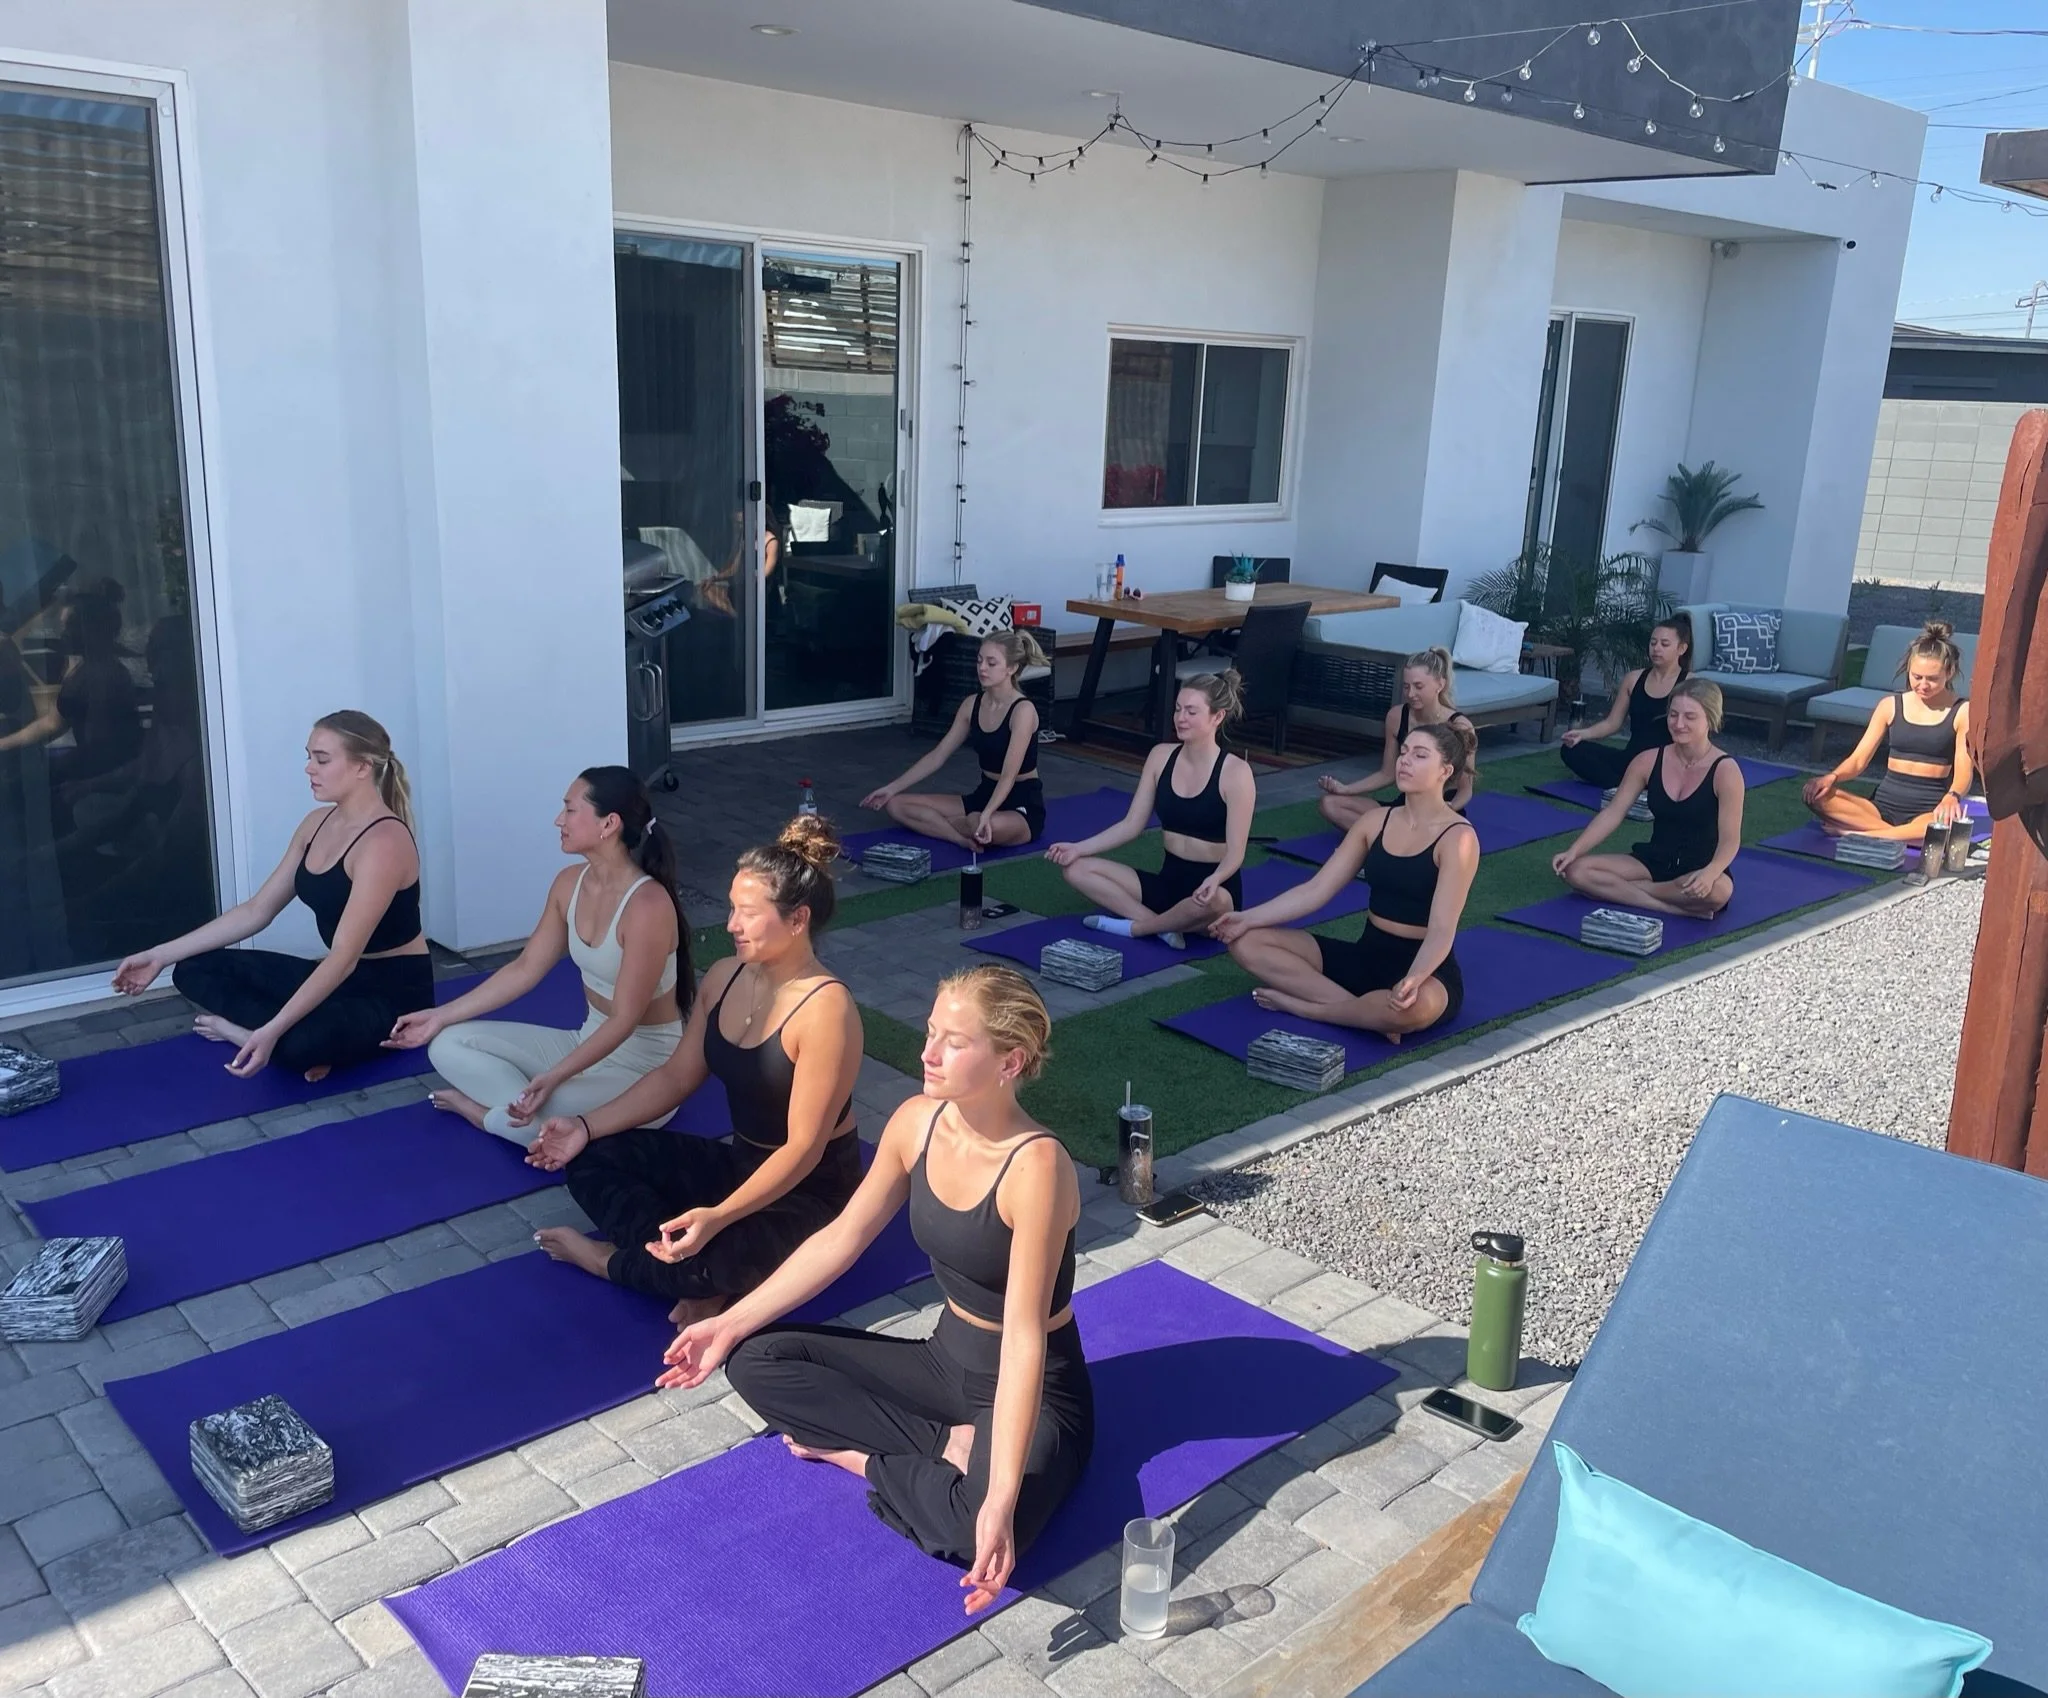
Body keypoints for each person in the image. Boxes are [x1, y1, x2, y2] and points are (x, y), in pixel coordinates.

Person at [662, 965, 1087, 1616]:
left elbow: (1026, 1337)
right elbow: (842, 1238)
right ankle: (942, 1444)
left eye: (954, 1040)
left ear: (1010, 1062)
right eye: (929, 1031)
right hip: (944, 1363)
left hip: (1034, 1385)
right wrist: (729, 1324)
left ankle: (858, 1456)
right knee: (756, 1359)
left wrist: (1000, 1499)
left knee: (975, 1530)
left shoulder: (1037, 1166)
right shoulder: (915, 1123)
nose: (928, 1052)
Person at [524, 815, 863, 1325]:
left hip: (810, 1191)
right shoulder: (725, 978)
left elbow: (802, 1149)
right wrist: (584, 1126)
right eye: (732, 909)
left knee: (708, 1260)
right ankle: (675, 1260)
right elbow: (675, 1078)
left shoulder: (826, 1010)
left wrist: (719, 1218)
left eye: (749, 914)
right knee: (593, 1156)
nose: (731, 925)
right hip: (741, 1165)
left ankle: (610, 1261)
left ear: (797, 921)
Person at [109, 710, 430, 1080]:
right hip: (336, 978)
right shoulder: (315, 825)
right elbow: (257, 911)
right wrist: (157, 956)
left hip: (392, 995)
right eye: (308, 757)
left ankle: (259, 1036)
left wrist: (272, 1029)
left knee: (301, 1041)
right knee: (194, 967)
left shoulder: (382, 843)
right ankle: (282, 1038)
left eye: (322, 760)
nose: (309, 768)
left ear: (362, 767)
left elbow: (344, 958)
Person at [384, 767, 692, 1141]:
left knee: (546, 1118)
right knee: (447, 1043)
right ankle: (520, 1111)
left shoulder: (647, 906)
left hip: (643, 1069)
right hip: (584, 1042)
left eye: (570, 810)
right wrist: (439, 1016)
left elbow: (624, 1020)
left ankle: (483, 1113)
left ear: (609, 824)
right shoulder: (569, 884)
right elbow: (526, 968)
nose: (558, 820)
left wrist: (554, 1077)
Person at [1215, 723, 1476, 1039]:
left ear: (1445, 771)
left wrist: (1416, 977)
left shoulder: (1458, 837)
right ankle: (1364, 1014)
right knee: (1245, 942)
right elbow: (1316, 889)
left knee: (1412, 1007)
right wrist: (1246, 918)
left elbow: (1441, 929)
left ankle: (1307, 1008)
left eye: (1420, 756)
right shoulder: (1374, 821)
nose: (1405, 761)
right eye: (1404, 752)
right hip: (1366, 955)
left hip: (1424, 965)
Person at [1046, 671, 1255, 948]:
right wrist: (1078, 848)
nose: (1180, 718)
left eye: (1191, 712)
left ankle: (1139, 929)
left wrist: (1215, 879)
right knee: (1075, 869)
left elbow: (1236, 852)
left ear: (1217, 717)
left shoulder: (1236, 773)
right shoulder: (1160, 756)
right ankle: (1162, 927)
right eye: (1178, 709)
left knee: (1216, 902)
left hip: (1213, 892)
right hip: (1167, 882)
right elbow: (1132, 824)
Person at [1552, 677, 1743, 918]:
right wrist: (1575, 850)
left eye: (1690, 717)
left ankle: (1628, 892)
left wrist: (1713, 871)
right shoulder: (1648, 760)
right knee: (1576, 871)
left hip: (1700, 865)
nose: (1678, 723)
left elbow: (1730, 839)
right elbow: (1613, 812)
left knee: (1718, 892)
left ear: (1710, 720)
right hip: (1652, 860)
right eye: (1673, 715)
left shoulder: (1726, 771)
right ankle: (1670, 907)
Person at [860, 632, 1047, 850]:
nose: (982, 668)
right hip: (983, 794)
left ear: (1011, 668)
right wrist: (891, 788)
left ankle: (947, 826)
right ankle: (959, 837)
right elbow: (938, 755)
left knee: (983, 823)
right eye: (979, 661)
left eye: (991, 663)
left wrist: (987, 814)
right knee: (896, 805)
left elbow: (1008, 776)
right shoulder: (971, 704)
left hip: (1020, 802)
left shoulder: (1023, 710)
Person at [1803, 621, 1973, 840]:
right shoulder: (1890, 705)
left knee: (1941, 825)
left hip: (1929, 808)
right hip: (1880, 807)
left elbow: (1963, 771)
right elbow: (1858, 761)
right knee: (1815, 795)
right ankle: (1892, 834)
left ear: (1949, 672)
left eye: (1932, 679)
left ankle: (1862, 834)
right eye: (1916, 676)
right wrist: (1832, 777)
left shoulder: (1962, 711)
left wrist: (1952, 796)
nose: (1923, 685)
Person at [1316, 647, 1475, 826]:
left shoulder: (1460, 726)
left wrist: (1451, 807)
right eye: (1406, 686)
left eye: (1418, 686)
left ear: (1440, 684)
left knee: (1420, 827)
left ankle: (1385, 840)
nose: (1410, 694)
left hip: (1441, 809)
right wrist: (1345, 789)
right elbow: (1388, 773)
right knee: (1329, 804)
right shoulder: (1396, 717)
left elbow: (1465, 789)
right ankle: (1389, 840)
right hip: (1406, 806)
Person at [1555, 616, 1693, 791]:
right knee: (1571, 750)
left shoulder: (1690, 684)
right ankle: (1632, 785)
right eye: (1653, 643)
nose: (1656, 649)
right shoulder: (1633, 679)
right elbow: (1612, 723)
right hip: (1631, 759)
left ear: (1681, 648)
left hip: (1665, 764)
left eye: (1664, 644)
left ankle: (1631, 785)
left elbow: (1694, 734)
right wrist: (1582, 734)